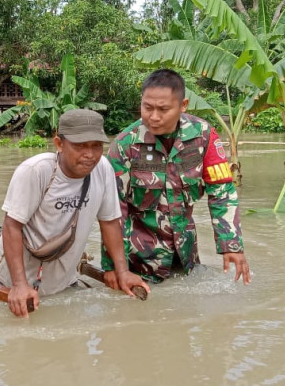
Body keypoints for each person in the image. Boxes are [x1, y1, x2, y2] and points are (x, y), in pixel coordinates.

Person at [102, 69, 251, 287]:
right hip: (139, 264)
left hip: (186, 258)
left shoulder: (204, 136)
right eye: (147, 107)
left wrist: (232, 245)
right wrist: (113, 268)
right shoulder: (125, 145)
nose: (153, 116)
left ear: (183, 105)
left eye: (163, 109)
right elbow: (112, 211)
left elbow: (222, 192)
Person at [0, 109, 149, 318]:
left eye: (96, 146)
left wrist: (122, 272)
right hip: (16, 285)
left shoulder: (102, 168)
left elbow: (110, 222)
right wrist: (19, 285)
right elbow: (12, 226)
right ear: (59, 144)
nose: (90, 154)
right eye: (80, 146)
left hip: (65, 282)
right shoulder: (36, 171)